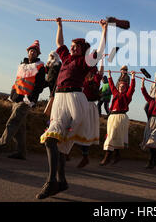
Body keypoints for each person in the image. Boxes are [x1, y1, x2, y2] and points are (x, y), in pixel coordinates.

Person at [36, 17, 107, 200]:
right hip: (59, 98)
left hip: (74, 100)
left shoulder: (85, 62)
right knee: (55, 142)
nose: (72, 46)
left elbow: (100, 50)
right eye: (72, 44)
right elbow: (59, 42)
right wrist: (60, 25)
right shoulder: (66, 57)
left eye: (76, 45)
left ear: (82, 50)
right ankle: (61, 181)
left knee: (55, 141)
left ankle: (52, 182)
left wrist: (104, 30)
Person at [0, 40, 46, 160]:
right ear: (28, 52)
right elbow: (17, 81)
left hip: (26, 100)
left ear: (38, 54)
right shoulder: (22, 65)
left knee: (12, 123)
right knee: (19, 128)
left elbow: (39, 86)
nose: (32, 52)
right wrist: (12, 94)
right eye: (31, 50)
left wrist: (30, 98)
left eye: (35, 51)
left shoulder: (40, 67)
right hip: (17, 97)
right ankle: (21, 153)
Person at [100, 70, 136, 165]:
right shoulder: (115, 93)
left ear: (126, 88)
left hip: (120, 117)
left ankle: (107, 157)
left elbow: (132, 88)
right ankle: (117, 155)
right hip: (112, 116)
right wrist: (109, 75)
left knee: (111, 136)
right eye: (120, 86)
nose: (121, 88)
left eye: (123, 87)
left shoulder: (127, 96)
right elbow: (111, 85)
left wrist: (133, 77)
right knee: (113, 136)